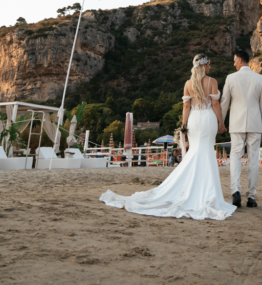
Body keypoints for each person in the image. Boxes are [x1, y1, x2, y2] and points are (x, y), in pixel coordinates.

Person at [99, 54, 235, 220]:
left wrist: (184, 126)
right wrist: (221, 123)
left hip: (194, 120)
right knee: (205, 151)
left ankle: (192, 188)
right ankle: (206, 191)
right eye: (209, 64)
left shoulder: (188, 84)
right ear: (205, 65)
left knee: (195, 152)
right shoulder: (212, 81)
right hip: (207, 119)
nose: (210, 67)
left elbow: (186, 106)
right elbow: (215, 104)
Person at [220, 49, 262, 208]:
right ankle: (252, 197)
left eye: (235, 60)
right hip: (255, 124)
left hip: (236, 123)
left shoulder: (231, 78)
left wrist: (221, 122)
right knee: (253, 159)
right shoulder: (260, 79)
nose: (234, 63)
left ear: (240, 60)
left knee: (235, 156)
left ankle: (235, 191)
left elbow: (224, 102)